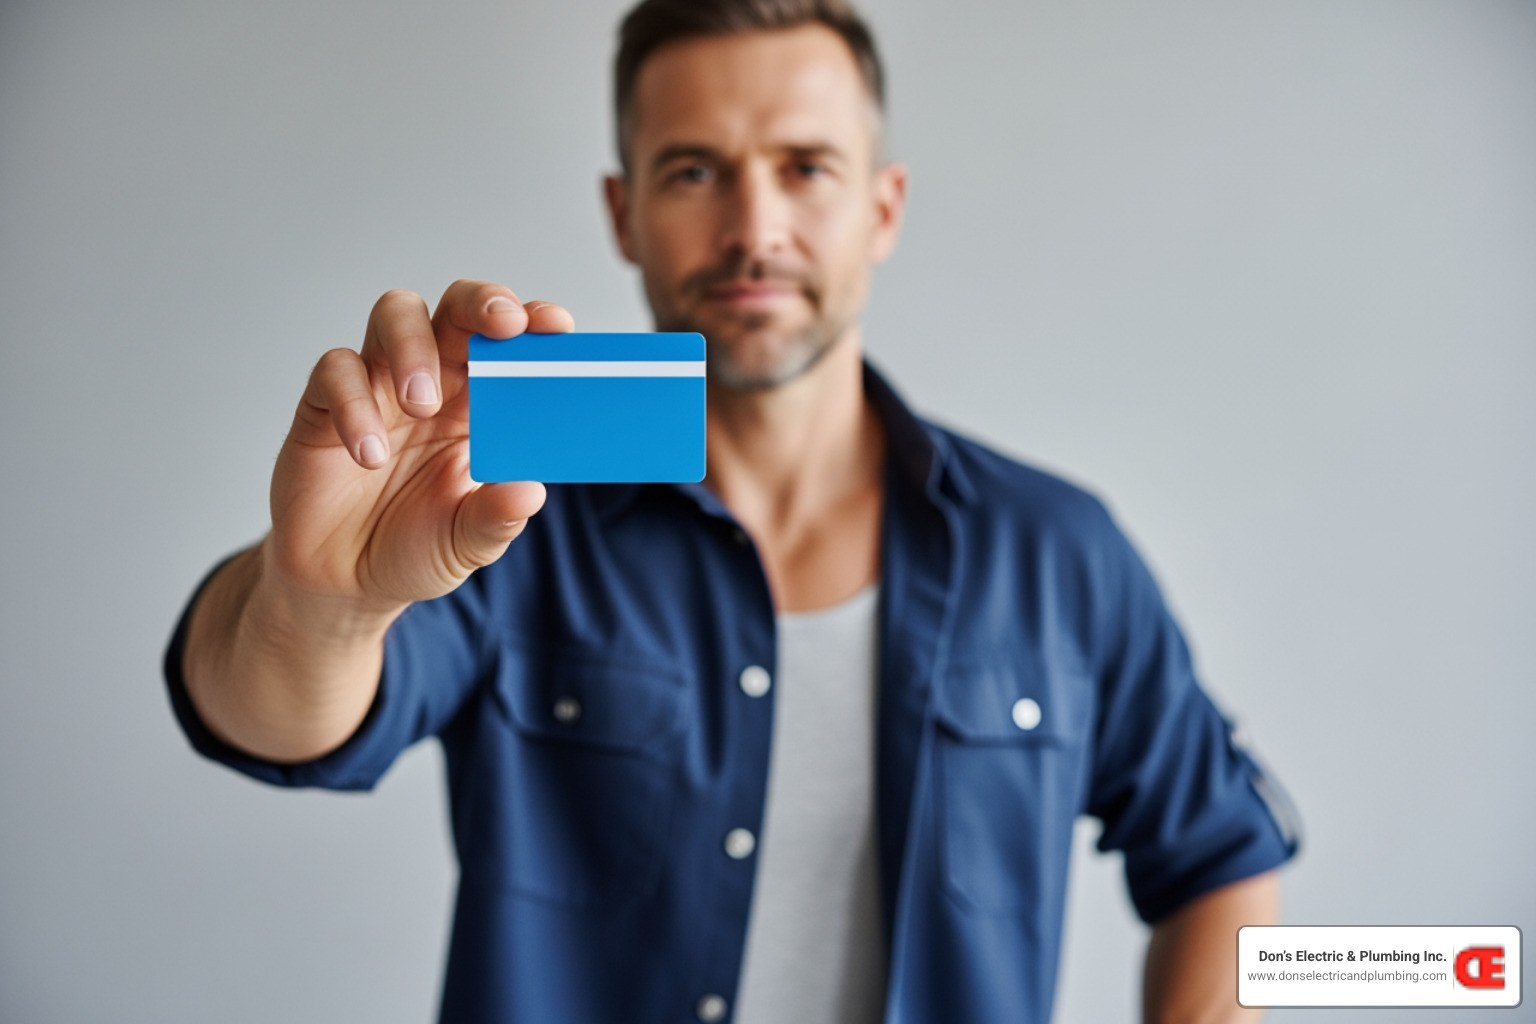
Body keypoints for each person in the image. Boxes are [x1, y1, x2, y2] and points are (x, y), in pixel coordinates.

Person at [164, 0, 1300, 1021]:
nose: (754, 229)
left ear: (883, 206)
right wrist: (317, 600)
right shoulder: (504, 501)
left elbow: (1221, 855)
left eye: (806, 167)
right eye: (695, 171)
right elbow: (276, 722)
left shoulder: (1054, 550)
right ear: (624, 212)